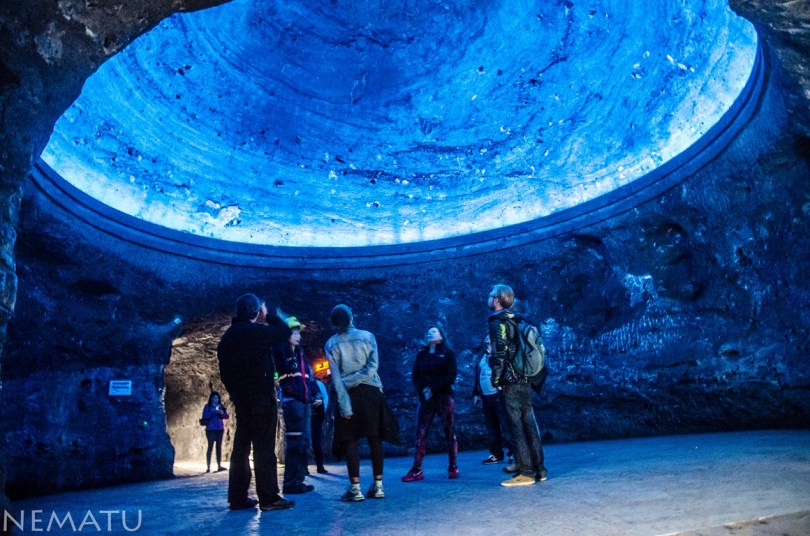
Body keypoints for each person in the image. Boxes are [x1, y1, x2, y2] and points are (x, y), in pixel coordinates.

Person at [217, 293, 295, 511]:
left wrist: (235, 394)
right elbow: (284, 332)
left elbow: (225, 374)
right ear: (255, 312)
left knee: (240, 449)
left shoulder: (227, 338)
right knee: (264, 448)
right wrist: (268, 316)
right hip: (261, 399)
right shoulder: (254, 332)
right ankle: (269, 498)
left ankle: (238, 497)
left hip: (241, 401)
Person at [325, 304, 398, 502]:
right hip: (372, 392)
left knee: (350, 440)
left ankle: (355, 489)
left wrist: (345, 401)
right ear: (351, 317)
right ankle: (378, 486)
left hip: (348, 395)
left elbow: (337, 381)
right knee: (375, 439)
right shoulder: (368, 336)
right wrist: (359, 377)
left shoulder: (331, 344)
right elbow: (373, 367)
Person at [487, 284, 548, 486]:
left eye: (491, 295)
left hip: (511, 382)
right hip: (525, 379)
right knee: (530, 425)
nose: (488, 298)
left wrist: (496, 380)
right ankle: (539, 470)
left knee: (516, 428)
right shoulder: (517, 318)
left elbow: (500, 353)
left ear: (497, 300)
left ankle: (526, 473)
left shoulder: (498, 321)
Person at [401, 326, 459, 481]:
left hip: (444, 396)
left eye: (434, 331)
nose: (429, 333)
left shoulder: (448, 354)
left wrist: (434, 389)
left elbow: (451, 375)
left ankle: (453, 466)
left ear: (441, 336)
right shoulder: (422, 355)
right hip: (426, 399)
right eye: (428, 332)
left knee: (449, 430)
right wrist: (422, 391)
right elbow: (415, 375)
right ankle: (416, 469)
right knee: (421, 432)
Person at [272, 314, 315, 495]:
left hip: (303, 402)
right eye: (295, 332)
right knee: (296, 442)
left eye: (299, 332)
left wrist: (312, 395)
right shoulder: (282, 350)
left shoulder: (300, 353)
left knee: (304, 442)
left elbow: (307, 378)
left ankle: (298, 480)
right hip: (293, 402)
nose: (299, 336)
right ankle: (291, 483)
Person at [472, 336, 513, 465]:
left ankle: (514, 453)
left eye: (490, 335)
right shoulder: (482, 356)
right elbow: (478, 375)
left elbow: (504, 370)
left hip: (498, 395)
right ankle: (496, 454)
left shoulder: (500, 354)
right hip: (486, 396)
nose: (487, 337)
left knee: (506, 426)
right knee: (491, 427)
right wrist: (476, 393)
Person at [201, 392, 229, 473]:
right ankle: (208, 467)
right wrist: (214, 412)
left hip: (219, 429)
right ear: (211, 398)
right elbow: (205, 416)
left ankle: (219, 466)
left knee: (218, 447)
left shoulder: (221, 406)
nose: (215, 399)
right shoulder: (207, 406)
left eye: (217, 398)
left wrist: (222, 413)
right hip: (210, 429)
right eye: (214, 398)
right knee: (210, 447)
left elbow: (226, 416)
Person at [308, 373, 329, 474]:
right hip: (317, 415)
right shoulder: (319, 384)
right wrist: (323, 409)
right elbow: (325, 398)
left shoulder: (301, 383)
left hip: (306, 415)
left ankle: (304, 468)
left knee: (305, 441)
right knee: (317, 441)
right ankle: (320, 466)